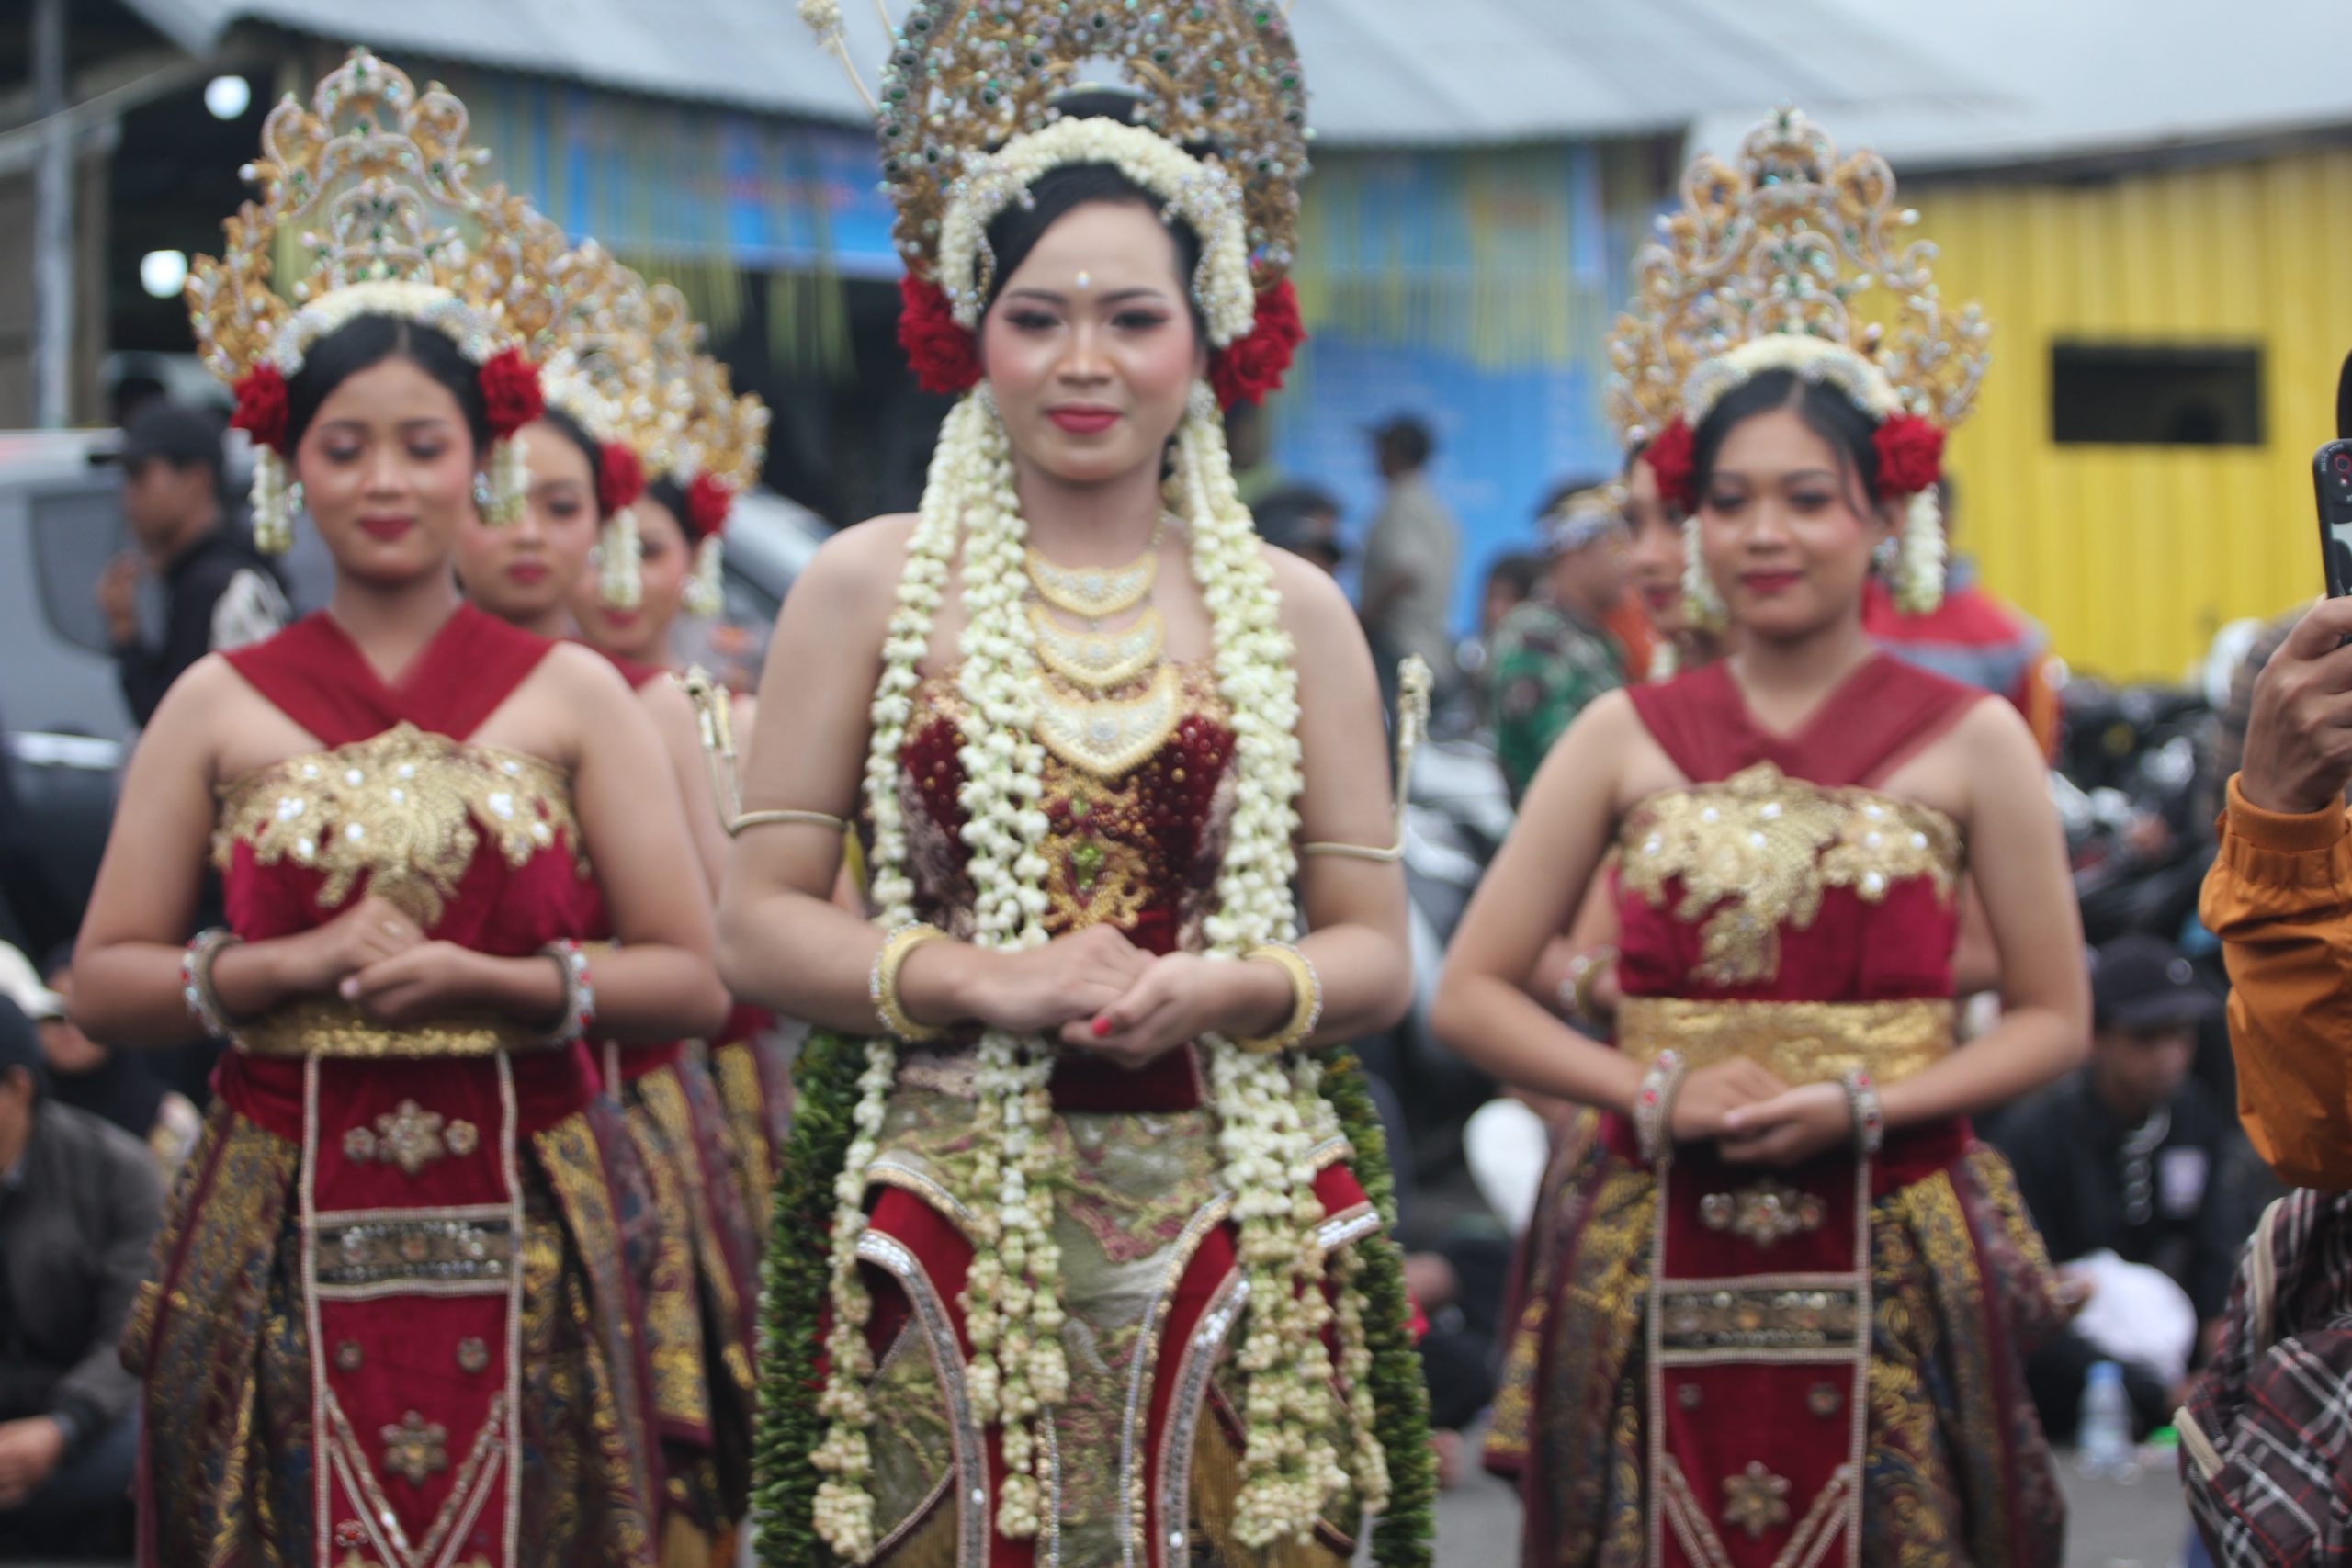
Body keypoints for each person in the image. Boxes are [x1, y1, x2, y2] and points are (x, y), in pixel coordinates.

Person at [736, 10, 1430, 1562]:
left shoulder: (1294, 605)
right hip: (941, 1213)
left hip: (1232, 1208)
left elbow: (1377, 946)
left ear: (1211, 332)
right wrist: (987, 976)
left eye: (1133, 318)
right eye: (1038, 318)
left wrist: (1225, 987)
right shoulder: (865, 585)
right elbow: (758, 928)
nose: (1086, 363)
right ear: (970, 331)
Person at [69, 51, 729, 1566]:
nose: (385, 480)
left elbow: (688, 977)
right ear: (286, 465)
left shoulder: (573, 696)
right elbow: (106, 980)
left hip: (534, 1213)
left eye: (423, 446)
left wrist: (498, 983)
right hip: (278, 1204)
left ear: (482, 459)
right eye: (342, 445)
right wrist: (277, 972)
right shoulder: (218, 701)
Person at [1434, 108, 2084, 1567]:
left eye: (1809, 497)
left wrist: (1868, 1104)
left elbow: (2053, 1014)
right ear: (1687, 517)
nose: (1764, 533)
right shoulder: (1622, 733)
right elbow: (1472, 986)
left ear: (1882, 514)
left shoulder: (1971, 736)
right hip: (1652, 1218)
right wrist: (1644, 1088)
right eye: (1727, 499)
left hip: (1895, 1213)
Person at [459, 301, 768, 1554]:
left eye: (564, 506)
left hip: (618, 1109)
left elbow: (713, 950)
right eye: (503, 496)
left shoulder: (650, 711)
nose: (535, 534)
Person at [1990, 934, 2256, 1439]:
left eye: (2181, 1036)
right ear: (2098, 1038)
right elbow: (2023, 1290)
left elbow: (2216, 1242)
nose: (2169, 1056)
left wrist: (2218, 1359)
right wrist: (2150, 1388)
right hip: (2068, 1358)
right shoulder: (2036, 1134)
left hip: (2173, 1342)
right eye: (2147, 1038)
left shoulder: (2194, 1114)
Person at [0, 994, 159, 1559]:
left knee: (145, 1439)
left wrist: (61, 1428)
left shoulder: (115, 1171)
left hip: (81, 1423)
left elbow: (131, 1334)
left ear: (18, 1088)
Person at [98, 399, 289, 726]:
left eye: (140, 476)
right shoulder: (202, 574)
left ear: (195, 482)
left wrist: (125, 633)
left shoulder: (218, 584)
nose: (129, 495)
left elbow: (175, 727)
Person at [1863, 478, 2062, 760]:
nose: (1901, 534)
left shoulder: (2012, 641)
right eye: (1890, 520)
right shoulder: (1839, 619)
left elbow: (2032, 756)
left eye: (1915, 523)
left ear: (1946, 523)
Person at [1488, 486, 1630, 801]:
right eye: (1617, 545)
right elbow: (1563, 769)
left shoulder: (1589, 636)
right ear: (1576, 552)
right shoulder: (1535, 638)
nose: (1629, 561)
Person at [1361, 413, 1462, 701]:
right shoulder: (1435, 509)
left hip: (1400, 647)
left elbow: (1407, 571)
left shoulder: (1401, 503)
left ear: (1394, 453)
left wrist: (1365, 616)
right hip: (1431, 648)